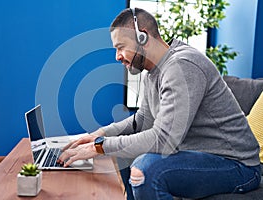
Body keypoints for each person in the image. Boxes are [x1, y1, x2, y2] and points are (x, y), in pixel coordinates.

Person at [57, 7, 261, 200]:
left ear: (142, 37)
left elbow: (164, 140)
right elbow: (142, 120)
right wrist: (99, 135)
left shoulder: (182, 66)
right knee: (126, 152)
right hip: (203, 155)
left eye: (120, 47)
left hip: (238, 165)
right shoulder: (153, 73)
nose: (117, 56)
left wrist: (100, 147)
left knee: (146, 170)